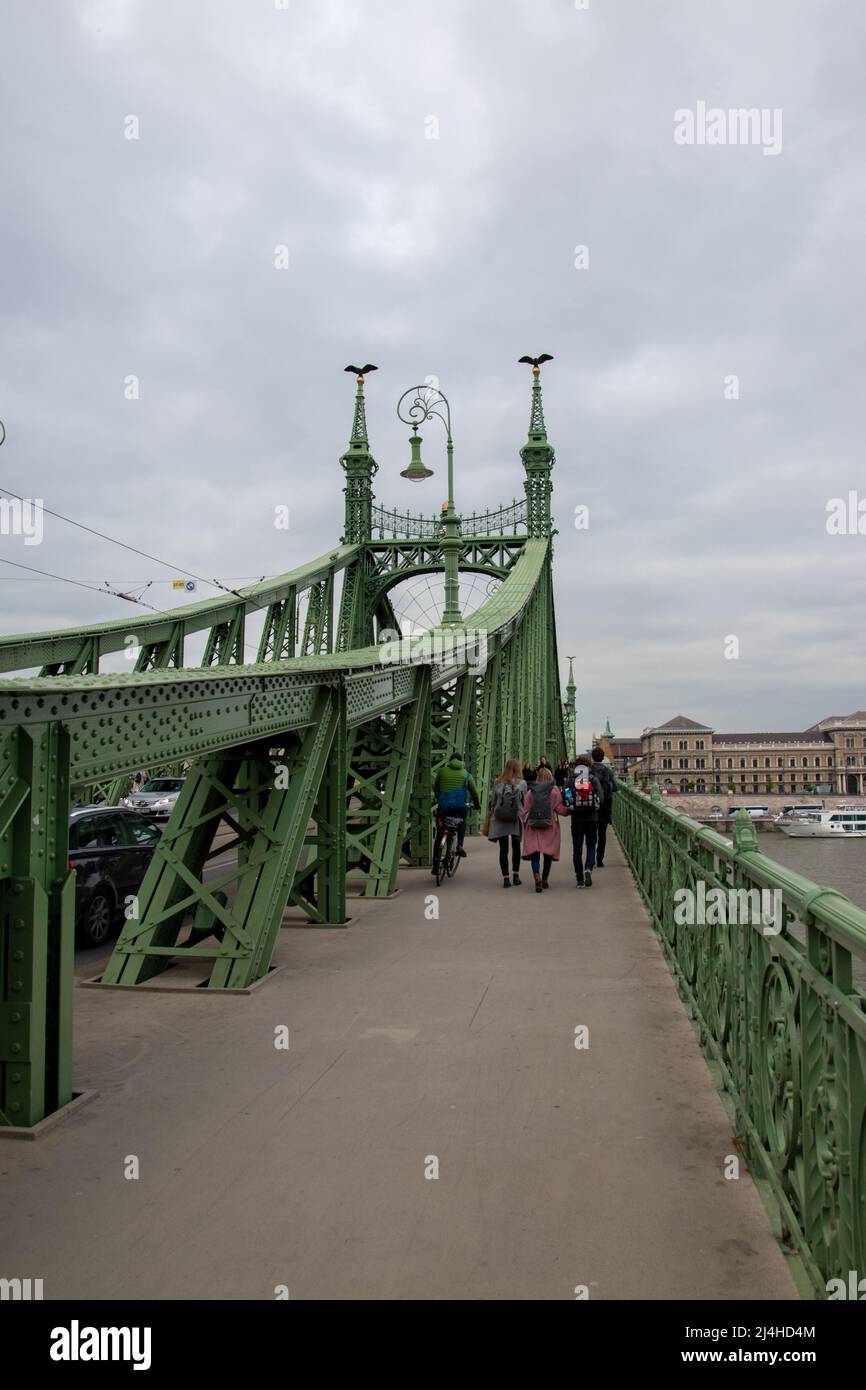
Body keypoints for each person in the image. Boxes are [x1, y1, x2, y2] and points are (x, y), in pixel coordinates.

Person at [520, 766, 569, 892]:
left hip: (533, 826)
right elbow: (560, 810)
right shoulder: (554, 792)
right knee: (548, 854)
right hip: (549, 825)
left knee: (535, 853)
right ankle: (545, 878)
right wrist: (571, 810)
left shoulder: (531, 792)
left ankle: (537, 876)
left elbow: (524, 811)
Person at [432, 750, 481, 875]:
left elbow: (436, 787)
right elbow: (474, 793)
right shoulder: (466, 774)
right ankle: (459, 845)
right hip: (459, 808)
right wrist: (477, 805)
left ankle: (435, 865)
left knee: (439, 835)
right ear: (461, 762)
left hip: (444, 808)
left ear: (450, 760)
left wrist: (440, 799)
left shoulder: (442, 771)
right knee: (461, 823)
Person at [487, 758, 527, 887]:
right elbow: (525, 802)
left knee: (503, 849)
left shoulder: (498, 782)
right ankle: (516, 875)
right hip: (515, 818)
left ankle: (506, 878)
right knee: (516, 848)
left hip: (500, 818)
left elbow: (493, 802)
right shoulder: (522, 783)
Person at [568, 754, 602, 887]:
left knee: (577, 849)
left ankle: (580, 880)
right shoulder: (593, 779)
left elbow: (565, 796)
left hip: (576, 818)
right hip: (592, 817)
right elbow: (601, 796)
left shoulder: (571, 779)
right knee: (591, 845)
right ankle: (588, 867)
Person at [591, 746, 616, 868]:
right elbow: (615, 788)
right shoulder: (608, 771)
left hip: (591, 807)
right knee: (602, 834)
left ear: (592, 757)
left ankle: (590, 858)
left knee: (591, 833)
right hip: (605, 807)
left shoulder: (588, 771)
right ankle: (599, 859)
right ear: (602, 758)